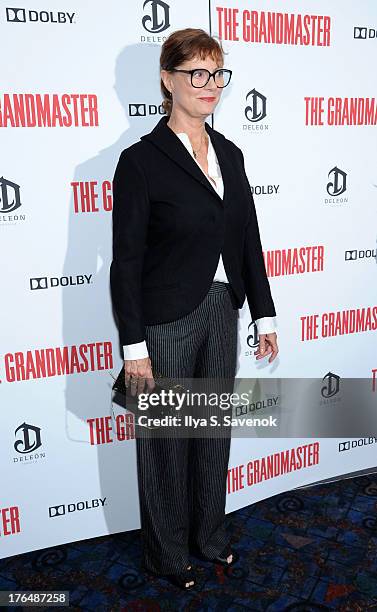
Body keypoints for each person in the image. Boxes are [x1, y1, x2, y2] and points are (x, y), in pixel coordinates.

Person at [110, 27, 279, 590]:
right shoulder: (140, 161)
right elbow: (125, 262)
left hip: (219, 308)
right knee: (163, 442)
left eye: (217, 74)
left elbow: (247, 239)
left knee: (210, 435)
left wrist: (264, 314)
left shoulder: (230, 152)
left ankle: (208, 537)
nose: (210, 86)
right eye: (197, 74)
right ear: (167, 79)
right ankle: (165, 554)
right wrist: (133, 349)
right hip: (164, 322)